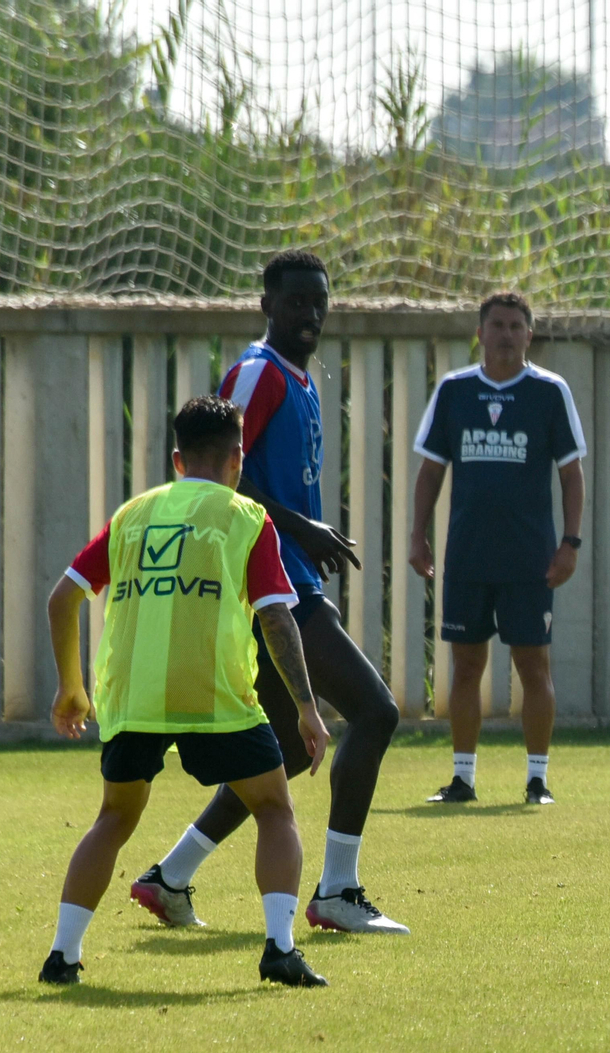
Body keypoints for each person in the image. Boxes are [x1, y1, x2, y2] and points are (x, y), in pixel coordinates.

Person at [130, 250, 408, 935]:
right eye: (295, 303)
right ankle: (338, 891)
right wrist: (300, 528)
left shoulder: (300, 381)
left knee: (279, 754)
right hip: (265, 581)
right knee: (375, 714)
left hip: (291, 576)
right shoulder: (258, 374)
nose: (310, 314)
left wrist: (305, 542)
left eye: (320, 302)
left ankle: (170, 877)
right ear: (267, 306)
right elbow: (218, 476)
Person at [40, 396, 330, 987]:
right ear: (238, 458)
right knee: (274, 808)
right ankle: (278, 949)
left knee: (112, 820)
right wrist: (306, 706)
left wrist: (72, 686)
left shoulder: (133, 515)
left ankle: (62, 957)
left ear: (177, 459)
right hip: (214, 696)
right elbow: (277, 620)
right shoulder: (246, 518)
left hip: (133, 698)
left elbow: (62, 597)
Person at [410, 291, 586, 805]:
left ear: (530, 335)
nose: (506, 334)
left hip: (530, 558)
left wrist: (569, 544)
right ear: (480, 332)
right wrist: (417, 535)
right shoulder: (454, 390)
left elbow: (572, 474)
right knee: (466, 667)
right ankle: (462, 778)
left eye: (516, 326)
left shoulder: (550, 392)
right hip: (466, 554)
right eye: (498, 325)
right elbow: (430, 470)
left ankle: (537, 780)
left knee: (534, 667)